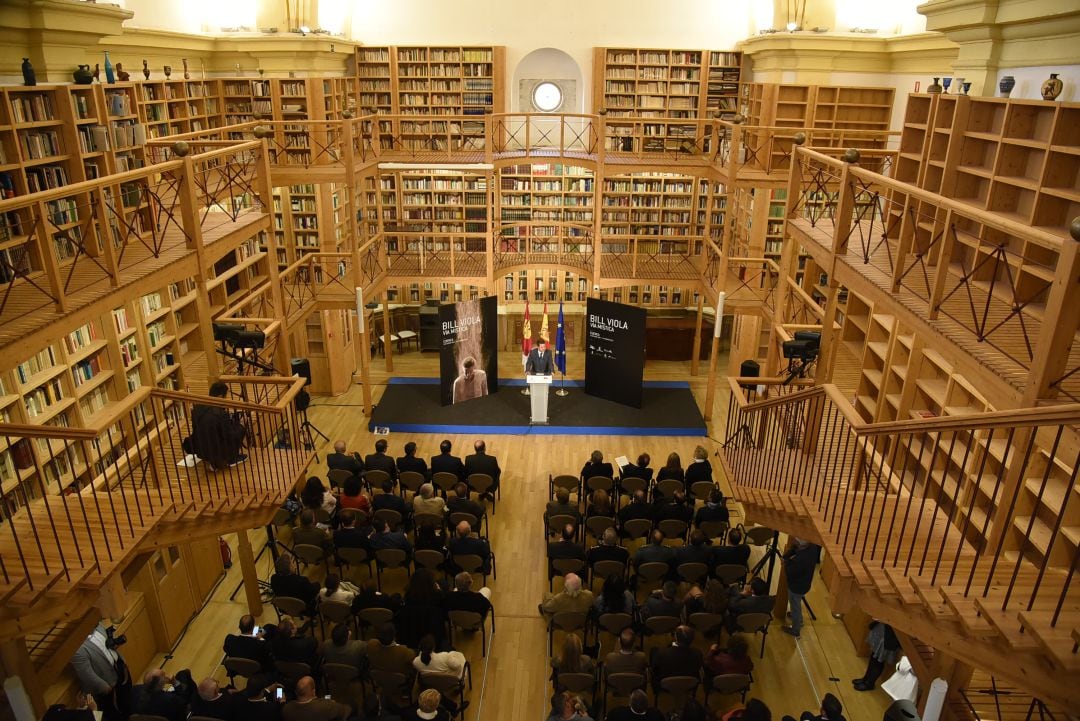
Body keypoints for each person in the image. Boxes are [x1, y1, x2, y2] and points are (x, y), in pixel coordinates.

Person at [71, 623, 132, 721]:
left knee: (127, 699)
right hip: (107, 685)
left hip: (119, 669)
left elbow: (110, 646)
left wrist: (122, 661)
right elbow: (87, 675)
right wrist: (106, 688)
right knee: (114, 713)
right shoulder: (77, 649)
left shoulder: (98, 626)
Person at [188, 381, 246, 470]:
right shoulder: (220, 414)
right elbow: (229, 435)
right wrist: (239, 426)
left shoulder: (197, 408)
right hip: (215, 451)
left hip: (199, 448)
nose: (227, 399)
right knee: (240, 429)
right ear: (220, 397)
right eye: (225, 396)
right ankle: (231, 459)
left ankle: (213, 460)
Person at [782, 538, 821, 638]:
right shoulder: (812, 546)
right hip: (805, 582)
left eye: (797, 542)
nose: (795, 542)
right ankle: (799, 620)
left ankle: (795, 629)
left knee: (795, 606)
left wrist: (786, 562)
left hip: (797, 586)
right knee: (797, 604)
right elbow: (795, 548)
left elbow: (790, 572)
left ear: (801, 544)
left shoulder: (800, 560)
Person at [649, 625, 703, 692]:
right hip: (688, 686)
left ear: (675, 637)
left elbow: (654, 667)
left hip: (663, 687)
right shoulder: (698, 654)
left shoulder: (661, 653)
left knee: (653, 650)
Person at [853, 620, 900, 691]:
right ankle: (865, 678)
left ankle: (869, 683)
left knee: (879, 661)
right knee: (873, 657)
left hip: (889, 635)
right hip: (882, 629)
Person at [282, 676, 349, 721]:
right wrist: (331, 703)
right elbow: (343, 712)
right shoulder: (325, 706)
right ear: (313, 691)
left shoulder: (287, 708)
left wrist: (278, 691)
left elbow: (281, 701)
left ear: (296, 692)